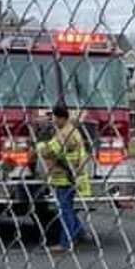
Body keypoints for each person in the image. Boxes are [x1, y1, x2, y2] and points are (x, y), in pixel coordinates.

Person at [38, 102, 92, 250]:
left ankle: (65, 243)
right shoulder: (72, 130)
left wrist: (39, 146)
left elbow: (51, 151)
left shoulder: (65, 133)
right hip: (72, 175)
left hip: (65, 177)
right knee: (67, 208)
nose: (53, 121)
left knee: (65, 209)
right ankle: (78, 232)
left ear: (60, 118)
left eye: (54, 117)